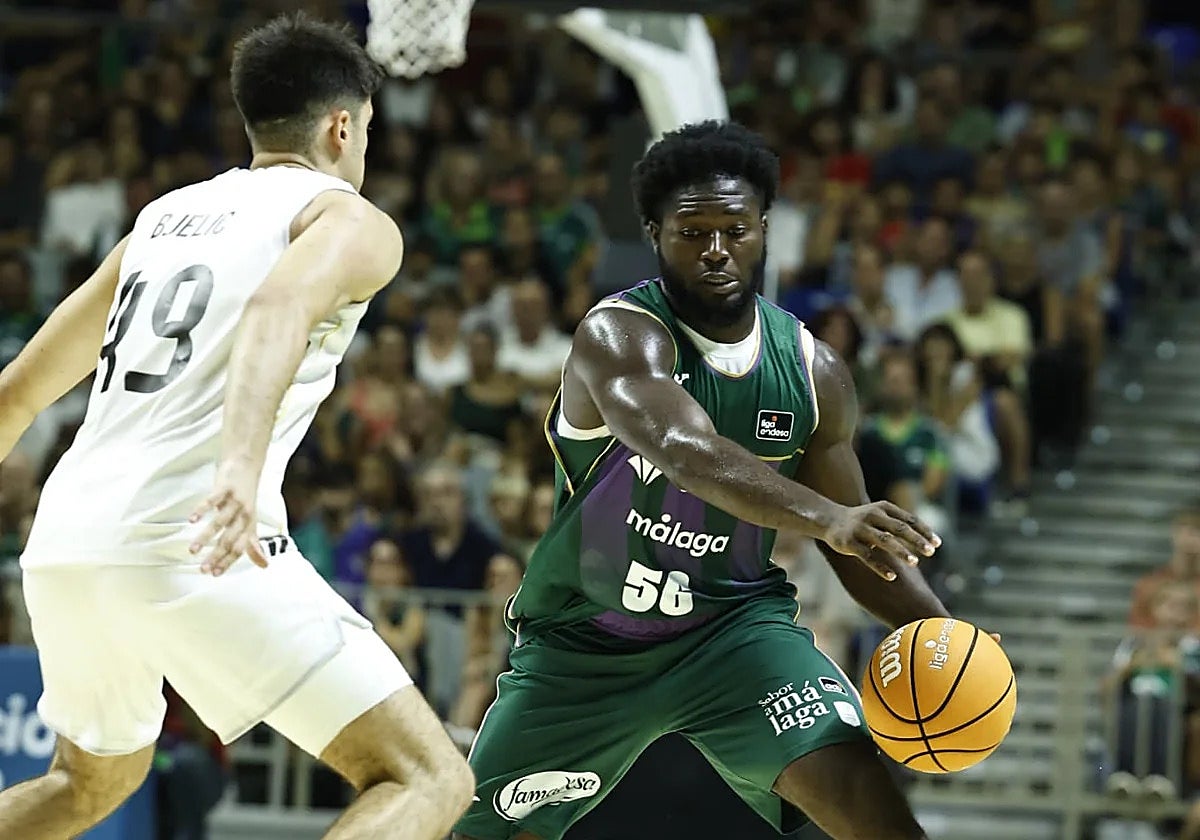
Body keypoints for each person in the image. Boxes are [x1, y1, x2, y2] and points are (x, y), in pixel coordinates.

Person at [0, 14, 472, 840]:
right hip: (193, 535)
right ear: (342, 126)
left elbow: (16, 393)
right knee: (428, 777)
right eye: (367, 130)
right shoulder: (348, 219)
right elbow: (276, 308)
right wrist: (238, 468)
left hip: (67, 542)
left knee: (84, 786)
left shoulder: (161, 219)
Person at [454, 121, 968, 840]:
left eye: (735, 230)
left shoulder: (813, 372)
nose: (717, 249)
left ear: (763, 230)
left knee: (870, 806)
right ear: (656, 234)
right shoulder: (619, 335)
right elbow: (683, 449)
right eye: (693, 233)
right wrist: (828, 518)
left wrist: (944, 636)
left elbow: (860, 545)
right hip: (584, 647)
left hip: (733, 636)